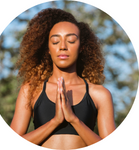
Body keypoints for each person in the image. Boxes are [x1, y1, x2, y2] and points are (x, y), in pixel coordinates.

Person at [10, 8, 116, 149]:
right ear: (48, 48)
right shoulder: (30, 90)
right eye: (55, 42)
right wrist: (55, 121)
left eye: (71, 41)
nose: (63, 47)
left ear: (81, 47)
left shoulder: (99, 94)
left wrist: (74, 120)